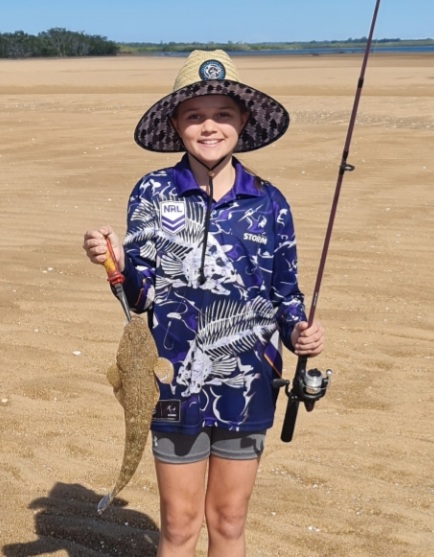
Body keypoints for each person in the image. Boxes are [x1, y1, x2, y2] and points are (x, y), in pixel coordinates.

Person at [83, 49, 325, 557]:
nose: (209, 126)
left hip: (249, 378)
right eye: (194, 116)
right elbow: (141, 293)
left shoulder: (270, 200)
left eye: (223, 114)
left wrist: (299, 331)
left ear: (243, 123)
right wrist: (115, 259)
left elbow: (286, 293)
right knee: (179, 525)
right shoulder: (153, 191)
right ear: (176, 125)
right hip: (172, 378)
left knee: (229, 522)